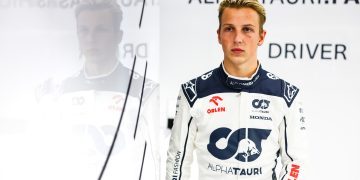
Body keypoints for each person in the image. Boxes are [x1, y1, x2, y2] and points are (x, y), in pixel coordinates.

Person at [166, 0, 307, 179]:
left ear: (261, 37)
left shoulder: (285, 95)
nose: (238, 38)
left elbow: (296, 162)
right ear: (219, 35)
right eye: (229, 29)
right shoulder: (193, 92)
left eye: (247, 29)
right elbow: (177, 161)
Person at [36, 0, 159, 179]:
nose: (91, 38)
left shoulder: (145, 91)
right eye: (84, 30)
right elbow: (48, 159)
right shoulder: (60, 93)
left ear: (119, 36)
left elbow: (158, 159)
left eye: (101, 30)